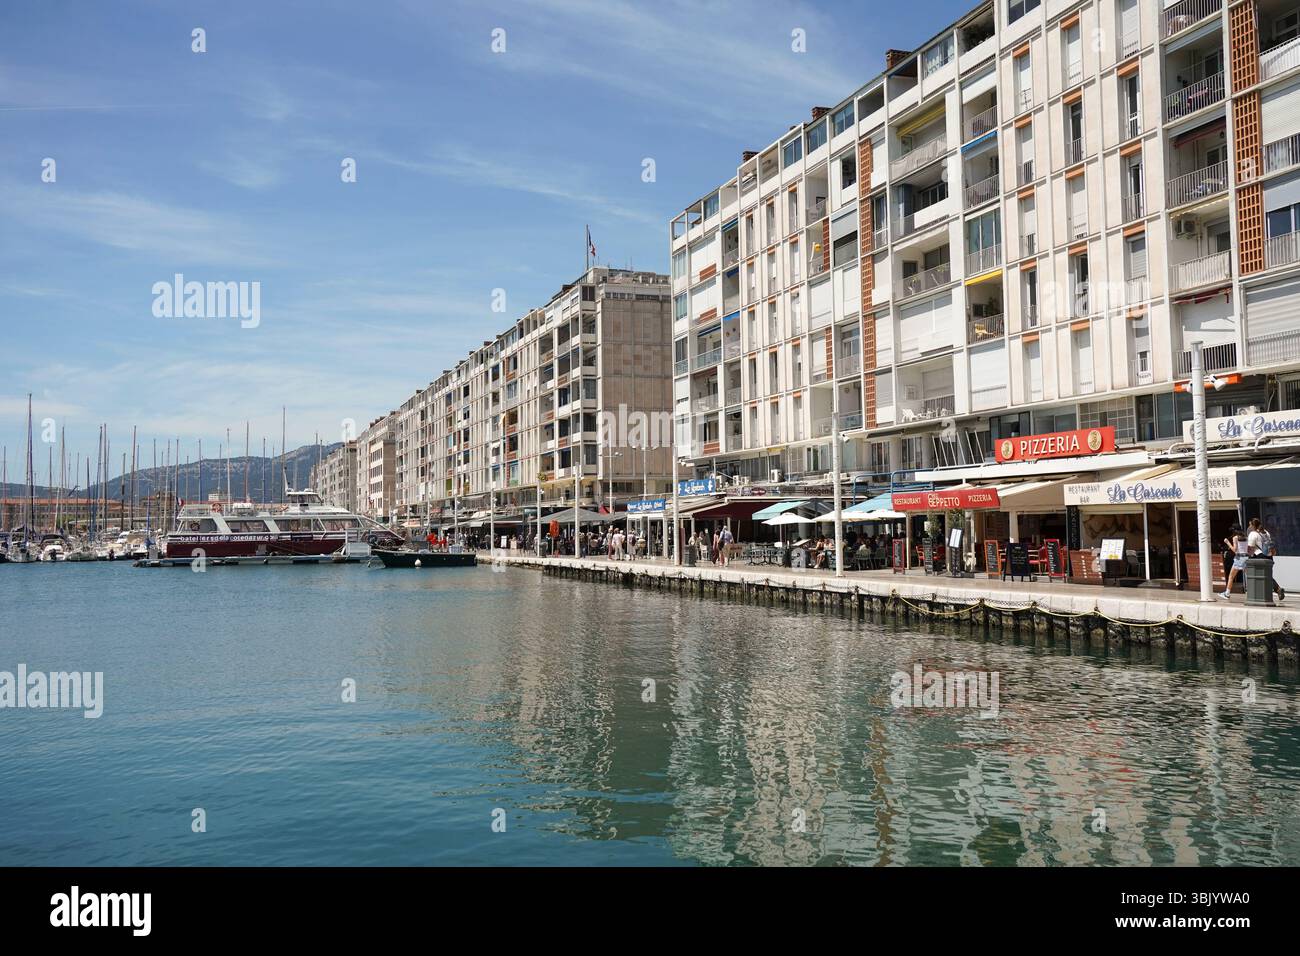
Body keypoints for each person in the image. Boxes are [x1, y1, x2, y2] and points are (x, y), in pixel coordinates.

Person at [1252, 517, 1286, 602]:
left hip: (1259, 555)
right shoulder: (1266, 532)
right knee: (1268, 575)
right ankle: (1277, 589)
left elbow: (1250, 547)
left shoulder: (1253, 533)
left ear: (1253, 525)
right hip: (1269, 556)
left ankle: (1275, 590)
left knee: (1261, 576)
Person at [1220, 524, 1248, 600]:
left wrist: (1227, 542)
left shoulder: (1235, 538)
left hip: (1239, 558)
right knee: (1249, 577)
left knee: (1231, 576)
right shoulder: (1246, 537)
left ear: (1235, 530)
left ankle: (1227, 593)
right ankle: (1252, 592)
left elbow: (1235, 550)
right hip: (1246, 558)